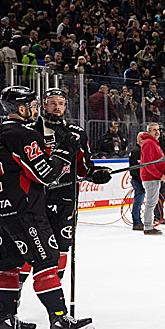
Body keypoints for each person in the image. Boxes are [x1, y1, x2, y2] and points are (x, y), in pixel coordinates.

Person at [0, 86, 95, 329]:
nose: (37, 109)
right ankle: (60, 321)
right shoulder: (24, 135)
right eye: (34, 105)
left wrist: (92, 171)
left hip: (0, 209)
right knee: (46, 260)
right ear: (22, 108)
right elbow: (45, 175)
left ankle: (5, 320)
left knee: (9, 263)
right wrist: (61, 153)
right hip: (25, 211)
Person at [33, 88, 113, 281]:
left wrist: (95, 174)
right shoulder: (29, 131)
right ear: (44, 105)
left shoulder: (76, 133)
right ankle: (14, 297)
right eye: (52, 103)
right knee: (30, 247)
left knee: (61, 246)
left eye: (60, 103)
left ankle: (55, 292)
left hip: (65, 199)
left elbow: (83, 167)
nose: (57, 107)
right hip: (35, 198)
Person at [139, 123, 165, 235]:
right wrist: (159, 175)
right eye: (154, 130)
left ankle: (149, 226)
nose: (157, 132)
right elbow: (148, 164)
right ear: (149, 131)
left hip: (153, 177)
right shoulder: (149, 143)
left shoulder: (154, 143)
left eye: (158, 129)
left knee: (153, 201)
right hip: (150, 177)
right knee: (151, 203)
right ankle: (148, 226)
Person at [129, 132, 146, 231]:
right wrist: (142, 181)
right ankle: (136, 222)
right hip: (138, 180)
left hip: (138, 179)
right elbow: (137, 169)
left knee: (139, 201)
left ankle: (138, 221)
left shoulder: (139, 150)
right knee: (138, 201)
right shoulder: (137, 151)